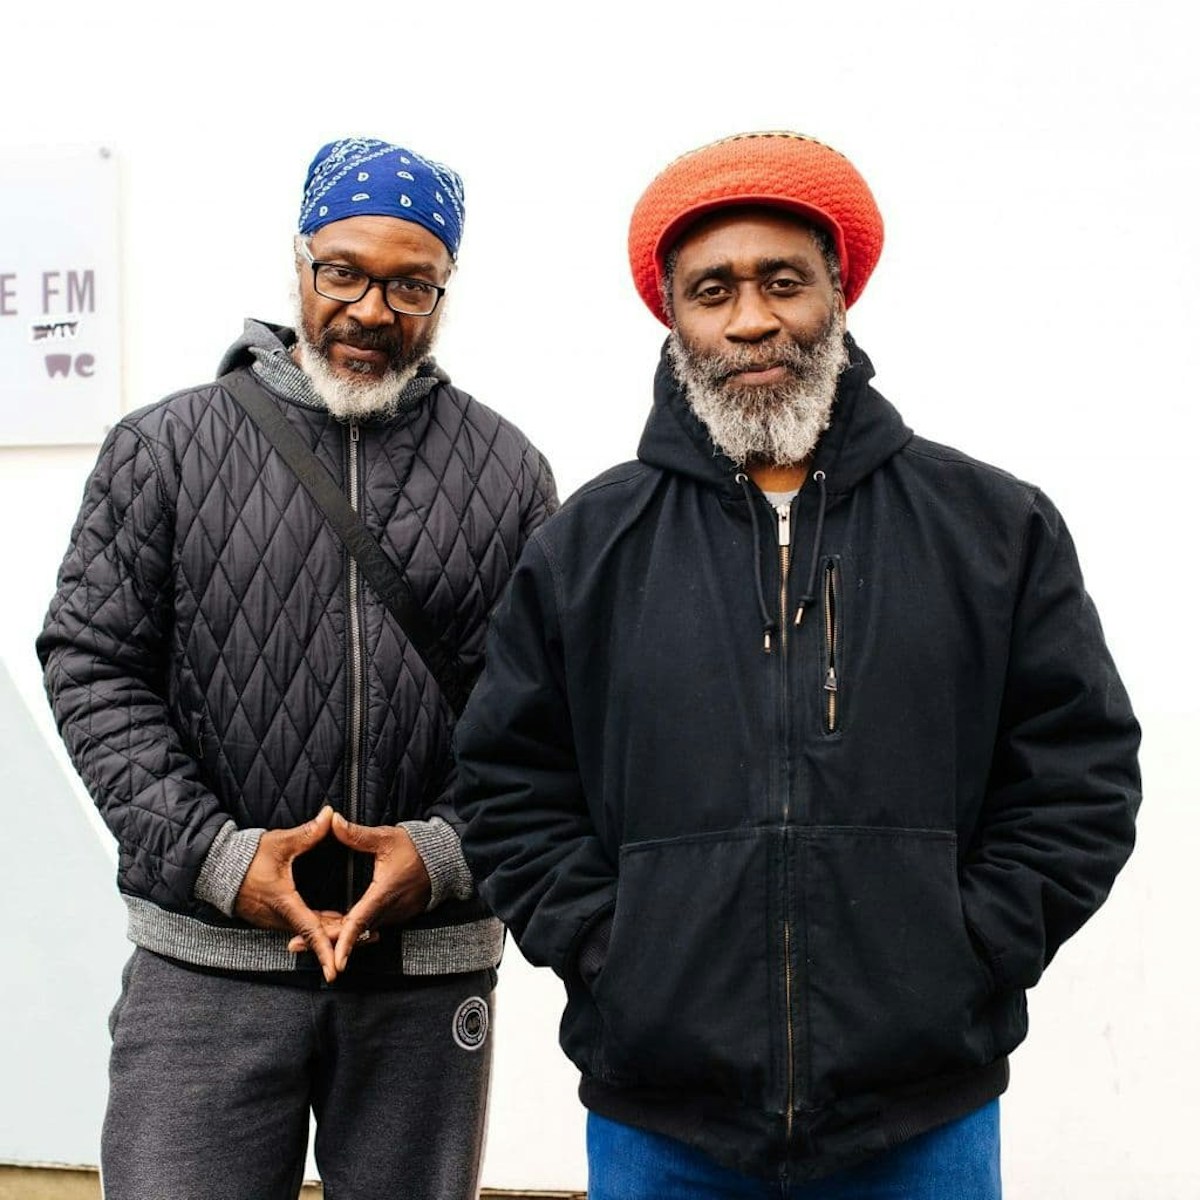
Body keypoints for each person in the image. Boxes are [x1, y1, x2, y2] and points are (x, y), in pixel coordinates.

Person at [453, 131, 1140, 1197]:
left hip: (923, 1115)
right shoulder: (586, 549)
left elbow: (1079, 775)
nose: (752, 319)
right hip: (662, 1121)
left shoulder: (994, 529)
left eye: (784, 282)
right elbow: (507, 785)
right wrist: (614, 954)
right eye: (713, 290)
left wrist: (968, 951)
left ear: (840, 295)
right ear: (673, 319)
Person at [37, 135, 557, 1200]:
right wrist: (218, 859)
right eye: (344, 273)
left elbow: (547, 715)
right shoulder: (165, 447)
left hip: (425, 966)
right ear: (300, 262)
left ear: (445, 288)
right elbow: (91, 664)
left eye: (411, 285)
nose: (372, 310)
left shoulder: (509, 471)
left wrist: (444, 854)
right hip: (205, 959)